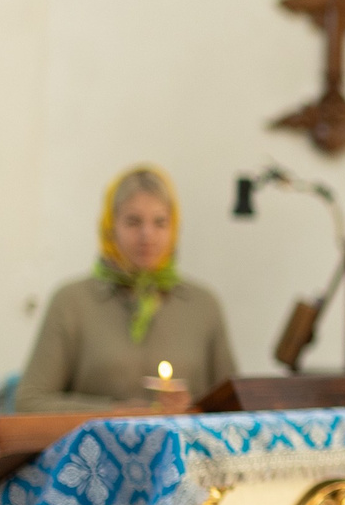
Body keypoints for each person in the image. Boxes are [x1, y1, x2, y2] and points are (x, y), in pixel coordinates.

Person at [16, 167, 236, 411]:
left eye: (160, 222)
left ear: (175, 228)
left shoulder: (202, 305)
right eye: (133, 222)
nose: (147, 235)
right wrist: (114, 415)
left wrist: (190, 410)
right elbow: (30, 402)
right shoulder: (72, 302)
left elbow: (235, 406)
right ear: (111, 227)